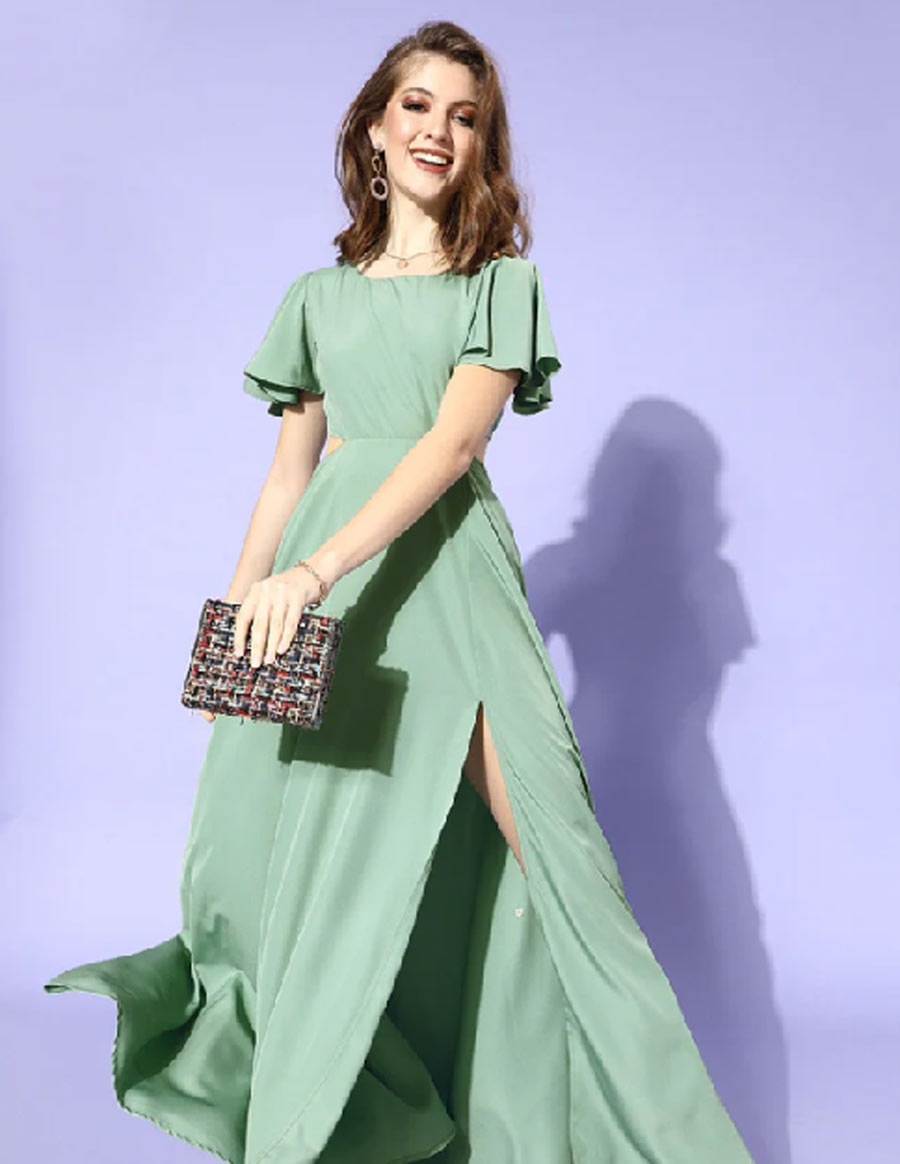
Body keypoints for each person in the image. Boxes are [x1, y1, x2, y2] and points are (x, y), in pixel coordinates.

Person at [43, 20, 756, 1164]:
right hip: (329, 612)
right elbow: (289, 475)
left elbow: (451, 447)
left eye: (465, 117)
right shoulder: (316, 297)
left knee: (562, 870)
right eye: (417, 106)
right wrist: (239, 625)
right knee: (315, 878)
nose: (438, 131)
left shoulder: (500, 286)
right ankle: (338, 1124)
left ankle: (661, 1142)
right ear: (375, 129)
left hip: (445, 586)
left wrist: (314, 572)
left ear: (481, 146)